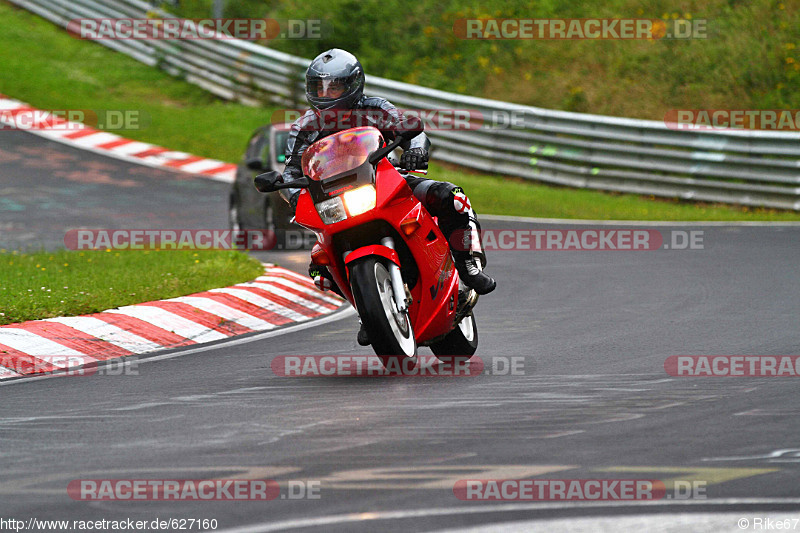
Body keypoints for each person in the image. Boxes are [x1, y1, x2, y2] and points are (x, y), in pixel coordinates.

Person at [277, 48, 495, 345]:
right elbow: (291, 171)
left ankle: (468, 265)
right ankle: (368, 310)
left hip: (385, 181)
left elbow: (412, 130)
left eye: (335, 86)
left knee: (450, 196)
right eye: (320, 87)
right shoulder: (304, 127)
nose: (327, 94)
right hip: (334, 200)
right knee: (319, 266)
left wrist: (416, 149)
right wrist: (294, 196)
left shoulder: (375, 108)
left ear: (354, 84)